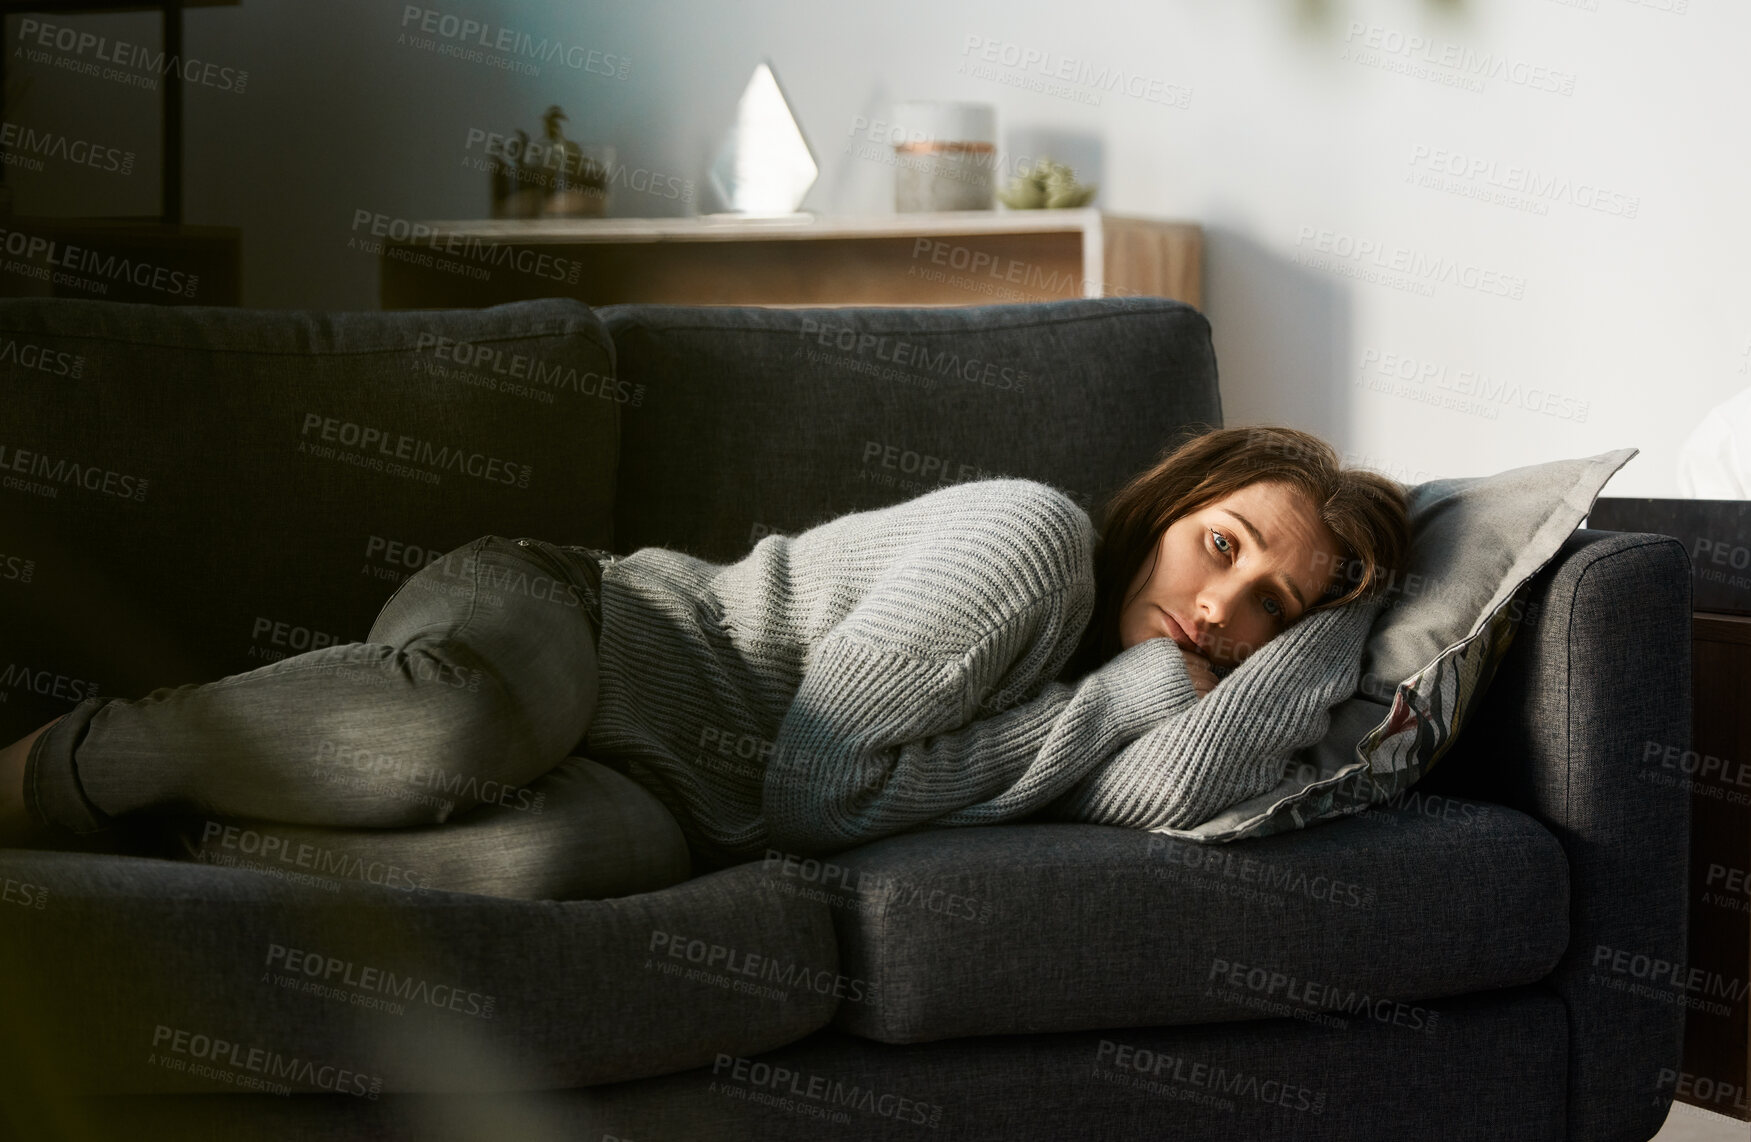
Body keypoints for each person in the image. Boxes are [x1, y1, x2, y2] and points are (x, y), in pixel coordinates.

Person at [0, 424, 1409, 891]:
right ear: (1167, 506)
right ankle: (63, 767)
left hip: (671, 805)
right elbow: (814, 787)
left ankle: (187, 832)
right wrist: (1116, 694)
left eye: (1274, 609)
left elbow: (1179, 780)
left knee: (539, 866)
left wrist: (1346, 606)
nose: (1226, 612)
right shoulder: (1032, 545)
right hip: (583, 629)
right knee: (461, 733)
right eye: (1222, 544)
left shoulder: (1128, 702)